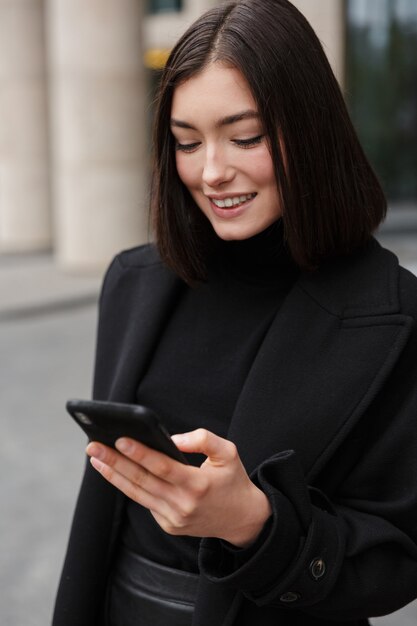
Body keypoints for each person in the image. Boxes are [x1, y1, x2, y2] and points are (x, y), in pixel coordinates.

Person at [52, 1, 417, 625]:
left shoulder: (395, 315)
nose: (212, 172)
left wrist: (255, 524)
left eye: (245, 137)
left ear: (311, 130)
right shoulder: (134, 282)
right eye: (186, 143)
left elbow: (398, 561)